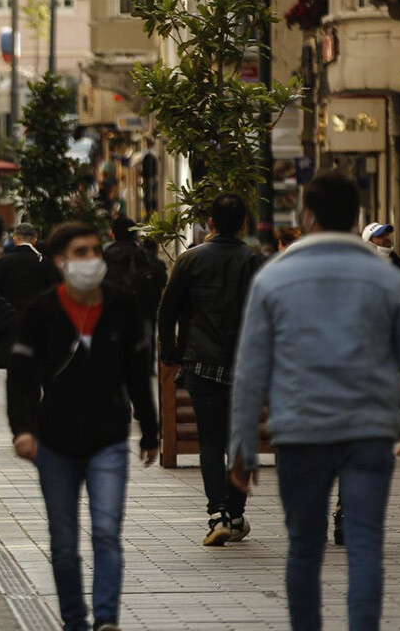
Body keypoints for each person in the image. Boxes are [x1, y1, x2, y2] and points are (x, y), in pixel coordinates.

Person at [229, 170, 400, 631]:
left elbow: (250, 372)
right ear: (356, 218)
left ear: (307, 214)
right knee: (364, 545)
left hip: (300, 432)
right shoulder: (388, 279)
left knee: (304, 548)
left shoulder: (274, 277)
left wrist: (243, 448)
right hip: (369, 432)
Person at [7, 222, 159, 631]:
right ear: (60, 262)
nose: (92, 258)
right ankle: (75, 620)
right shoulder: (41, 312)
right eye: (81, 251)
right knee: (64, 543)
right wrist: (21, 429)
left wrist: (150, 429)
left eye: (96, 250)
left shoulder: (122, 307)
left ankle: (106, 619)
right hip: (54, 441)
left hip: (108, 438)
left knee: (107, 531)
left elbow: (137, 371)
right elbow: (20, 376)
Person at [156, 193, 264, 545]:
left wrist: (170, 353)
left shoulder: (190, 260)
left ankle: (217, 513)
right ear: (244, 224)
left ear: (211, 224)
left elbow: (168, 309)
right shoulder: (256, 261)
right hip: (245, 364)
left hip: (201, 361)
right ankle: (235, 515)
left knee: (211, 440)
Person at [0, 223, 60, 379]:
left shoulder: (2, 263)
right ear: (34, 240)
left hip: (10, 327)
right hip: (40, 327)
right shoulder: (46, 264)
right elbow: (56, 295)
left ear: (15, 239)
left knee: (15, 376)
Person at [103, 215, 167, 371]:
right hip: (142, 311)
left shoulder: (103, 257)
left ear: (112, 233)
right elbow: (161, 279)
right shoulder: (145, 257)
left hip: (112, 312)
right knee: (142, 354)